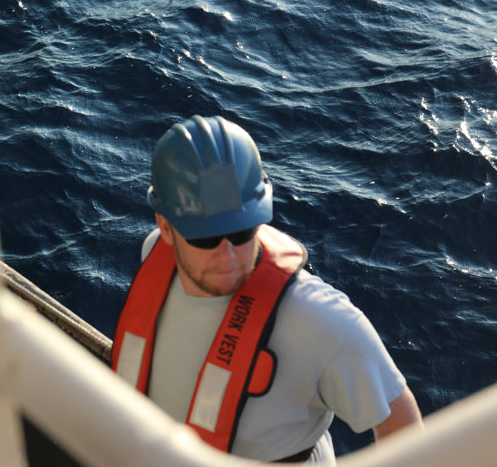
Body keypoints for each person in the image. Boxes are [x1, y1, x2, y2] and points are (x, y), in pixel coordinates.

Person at [111, 115, 422, 464]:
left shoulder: (322, 321)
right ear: (165, 228)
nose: (227, 254)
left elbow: (401, 422)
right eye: (206, 238)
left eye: (243, 232)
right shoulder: (153, 253)